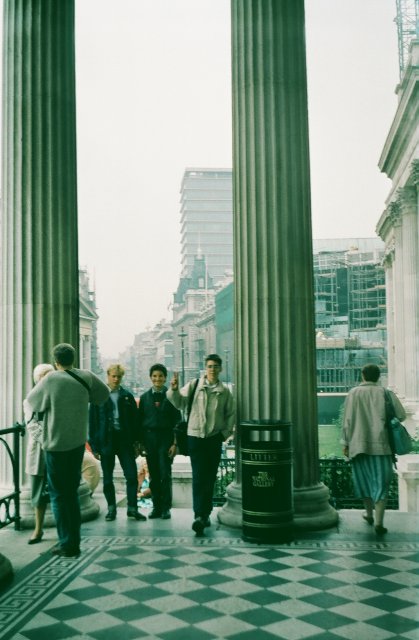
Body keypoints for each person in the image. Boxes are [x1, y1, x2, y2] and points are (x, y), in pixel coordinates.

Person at [25, 343, 109, 557]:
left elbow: (32, 403)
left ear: (56, 362)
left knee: (58, 496)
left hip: (55, 445)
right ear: (74, 358)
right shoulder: (86, 376)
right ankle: (74, 540)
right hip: (77, 444)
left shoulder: (51, 379)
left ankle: (67, 544)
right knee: (71, 493)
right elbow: (103, 395)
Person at [167, 353, 234, 536]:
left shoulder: (225, 391)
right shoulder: (194, 385)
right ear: (206, 368)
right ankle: (199, 515)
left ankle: (206, 513)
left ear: (220, 369)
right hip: (195, 437)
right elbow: (179, 403)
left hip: (213, 438)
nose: (212, 370)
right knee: (198, 476)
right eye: (209, 366)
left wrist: (224, 434)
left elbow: (230, 415)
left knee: (210, 477)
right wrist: (173, 389)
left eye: (215, 366)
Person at [341, 363, 406, 535]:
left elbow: (347, 422)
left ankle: (369, 514)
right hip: (382, 447)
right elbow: (402, 415)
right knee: (381, 485)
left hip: (357, 446)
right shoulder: (386, 393)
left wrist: (345, 444)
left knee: (364, 483)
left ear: (363, 375)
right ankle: (379, 522)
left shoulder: (353, 394)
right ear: (378, 376)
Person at [89, 363, 146, 522]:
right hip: (106, 440)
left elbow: (135, 422)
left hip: (124, 441)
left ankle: (132, 508)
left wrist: (137, 443)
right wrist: (94, 445)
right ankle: (111, 509)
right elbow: (92, 422)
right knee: (108, 477)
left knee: (131, 476)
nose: (116, 379)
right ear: (108, 376)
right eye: (113, 376)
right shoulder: (99, 396)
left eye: (118, 376)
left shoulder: (127, 396)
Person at [138, 364, 181, 520]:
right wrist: (141, 443)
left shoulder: (171, 397)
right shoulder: (143, 398)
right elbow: (139, 422)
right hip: (150, 440)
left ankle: (165, 508)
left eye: (161, 376)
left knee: (165, 474)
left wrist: (175, 444)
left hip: (166, 439)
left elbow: (178, 422)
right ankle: (156, 507)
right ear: (151, 378)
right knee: (154, 475)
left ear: (165, 378)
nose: (157, 379)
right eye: (155, 376)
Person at [23, 363, 54, 545]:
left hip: (56, 450)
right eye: (43, 376)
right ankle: (38, 528)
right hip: (39, 452)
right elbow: (32, 426)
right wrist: (50, 440)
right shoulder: (30, 400)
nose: (46, 379)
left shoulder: (57, 397)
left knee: (59, 488)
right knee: (37, 490)